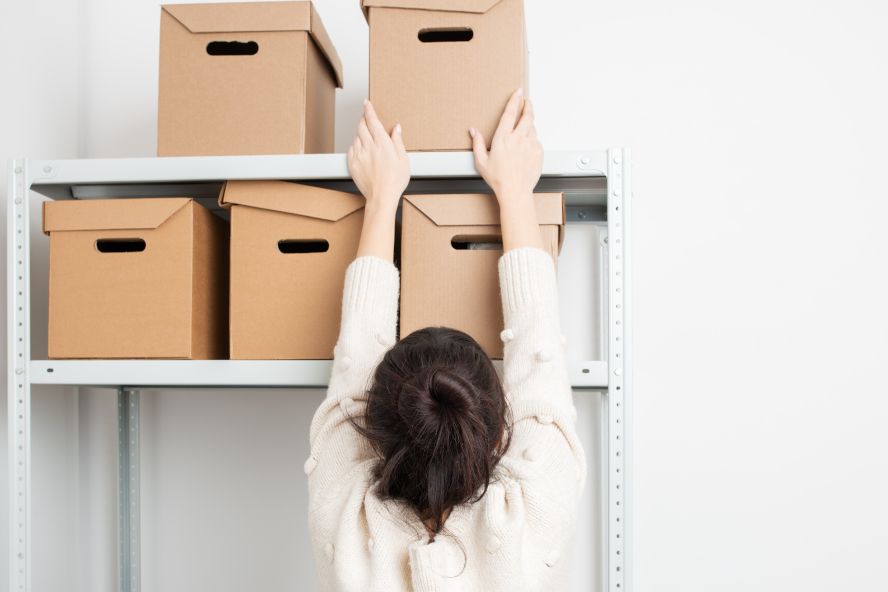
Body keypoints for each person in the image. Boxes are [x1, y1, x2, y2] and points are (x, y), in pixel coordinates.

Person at [305, 89, 586, 591]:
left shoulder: (344, 522)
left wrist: (382, 198)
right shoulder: (537, 516)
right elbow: (539, 355)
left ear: (373, 427)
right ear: (502, 427)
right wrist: (516, 192)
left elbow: (351, 375)